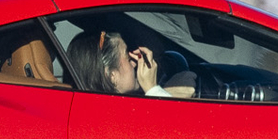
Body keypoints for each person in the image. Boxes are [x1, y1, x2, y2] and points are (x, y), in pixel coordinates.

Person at [66, 28, 197, 97]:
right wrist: (152, 89)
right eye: (128, 60)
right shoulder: (115, 118)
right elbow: (176, 131)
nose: (134, 64)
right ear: (111, 76)